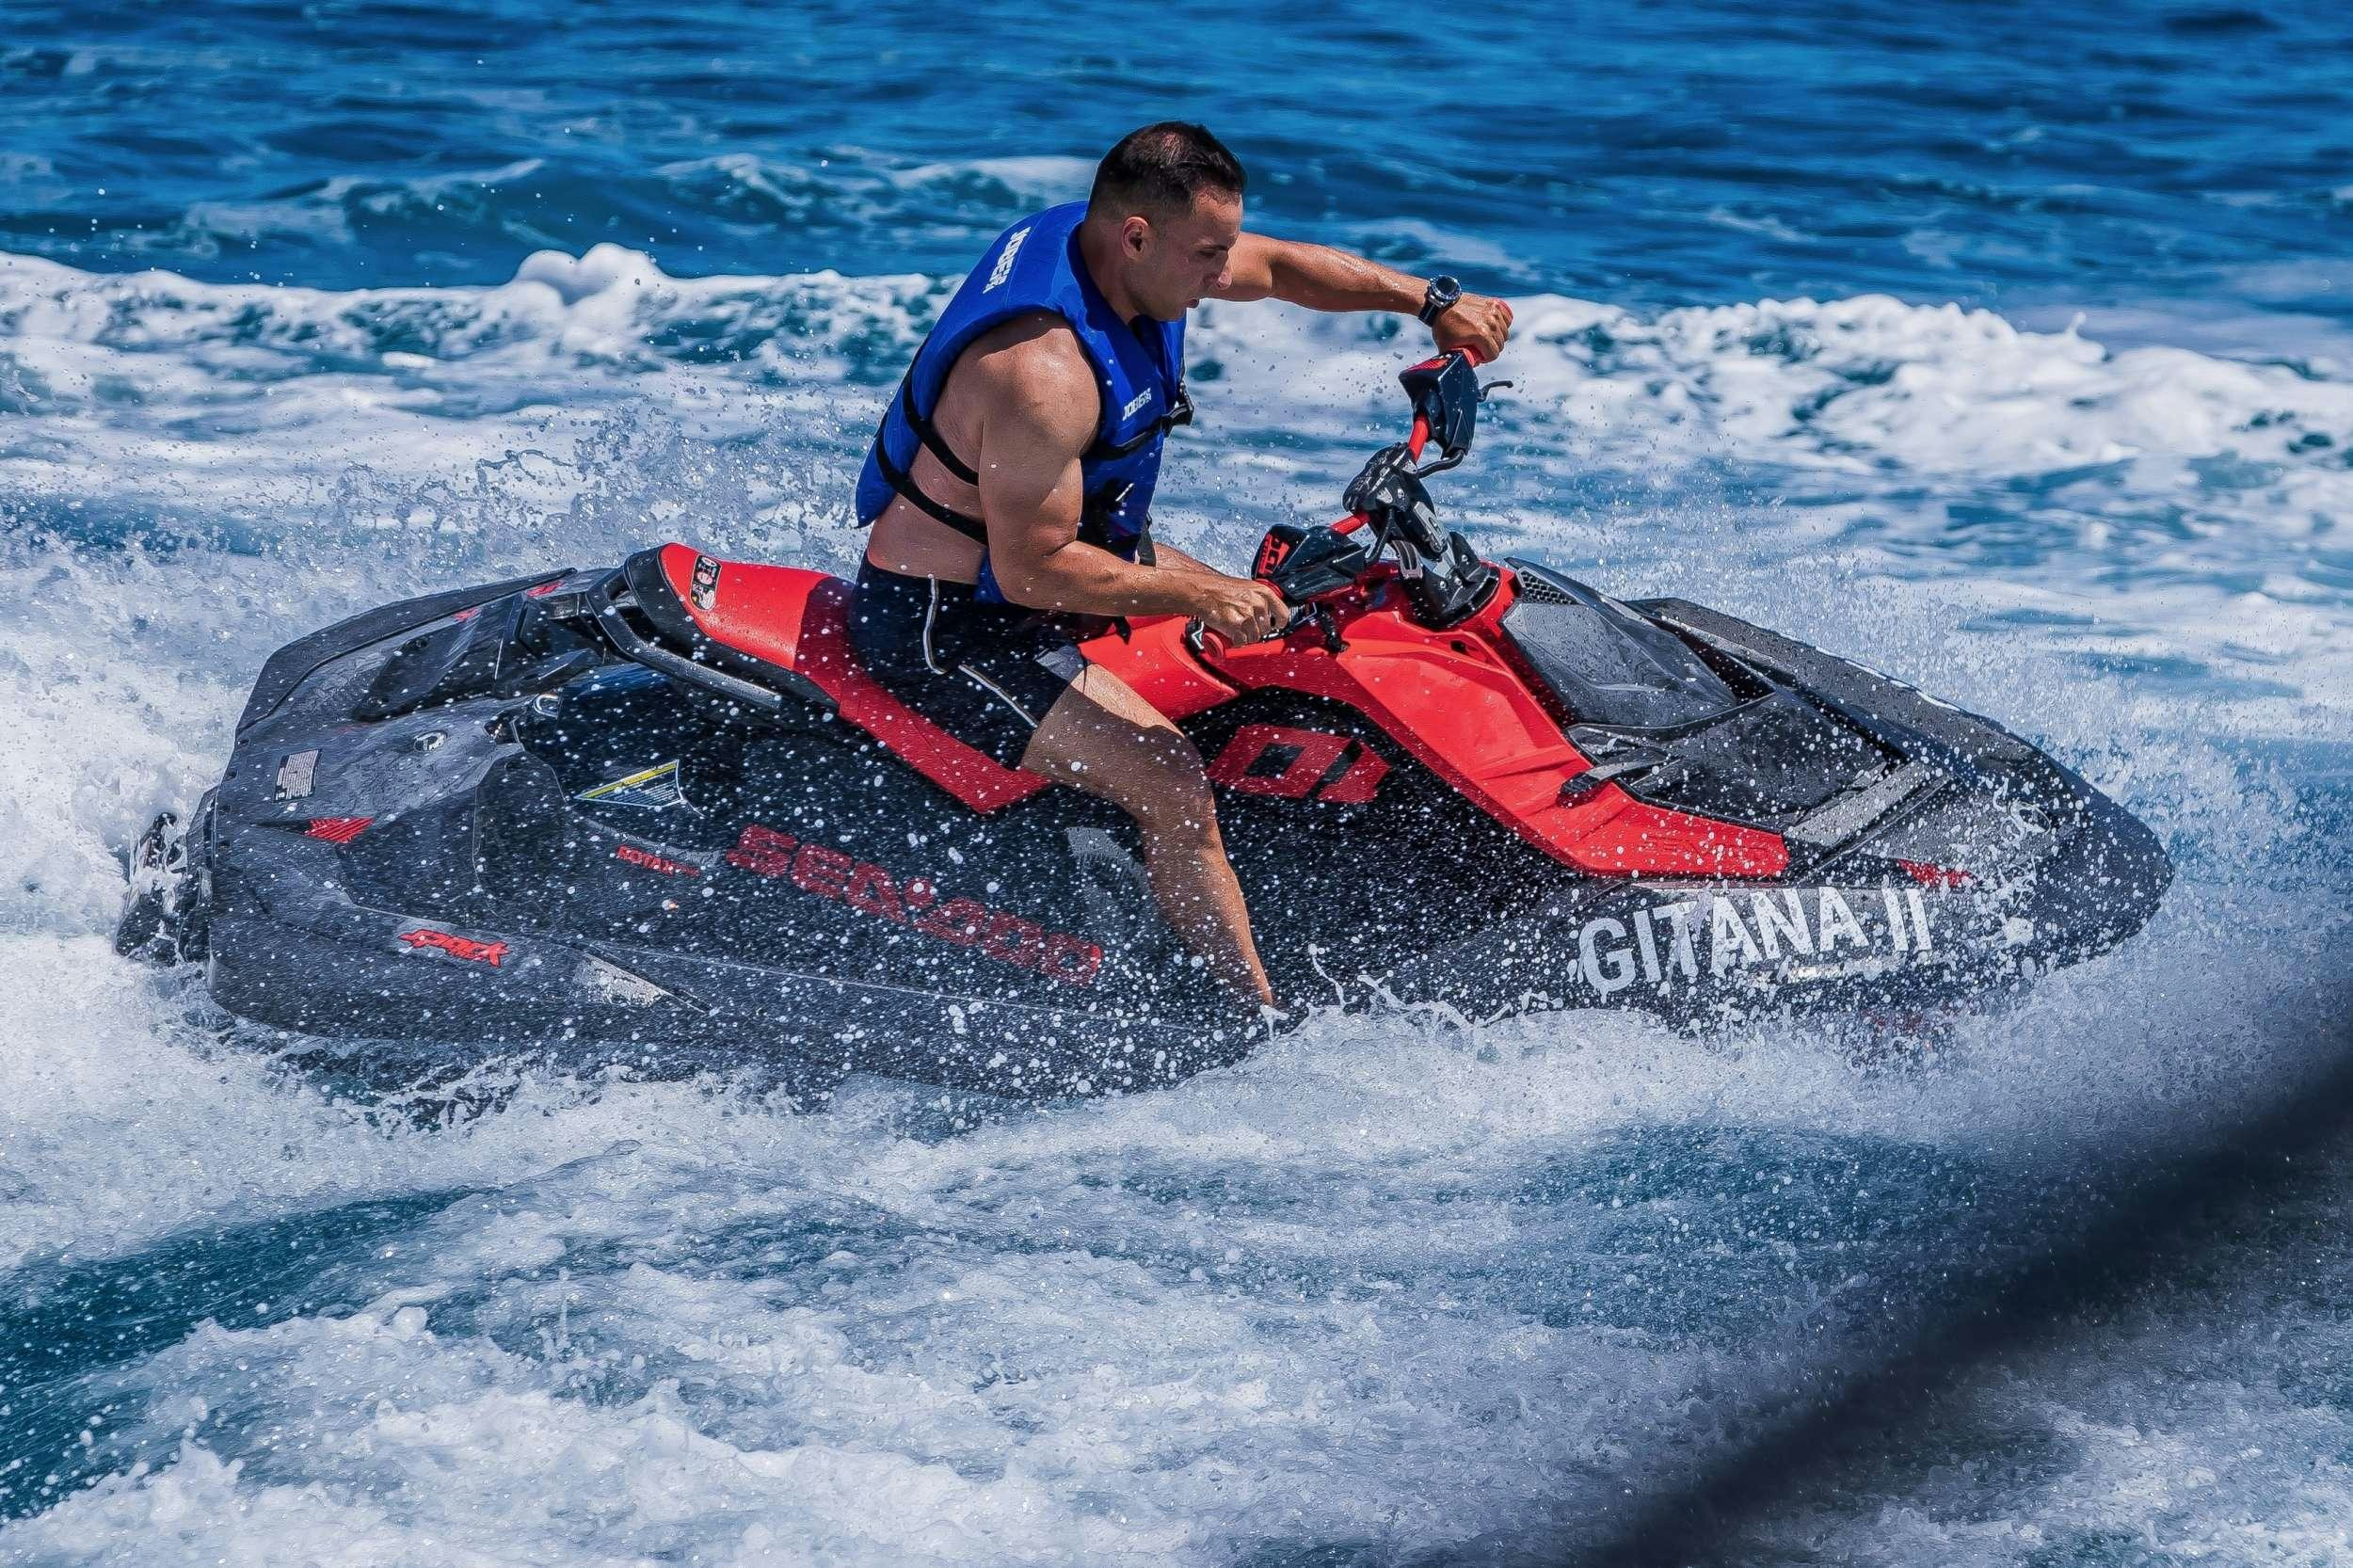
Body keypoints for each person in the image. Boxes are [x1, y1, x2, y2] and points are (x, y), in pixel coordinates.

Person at [849, 121, 1513, 1011]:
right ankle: (1249, 1016)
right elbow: (1034, 570)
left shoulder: (1131, 256)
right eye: (1207, 257)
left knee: (1288, 623)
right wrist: (1204, 593)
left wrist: (1430, 303)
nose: (1220, 277)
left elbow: (1278, 270)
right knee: (1172, 783)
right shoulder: (1043, 371)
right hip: (949, 625)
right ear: (1137, 236)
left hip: (1063, 556)